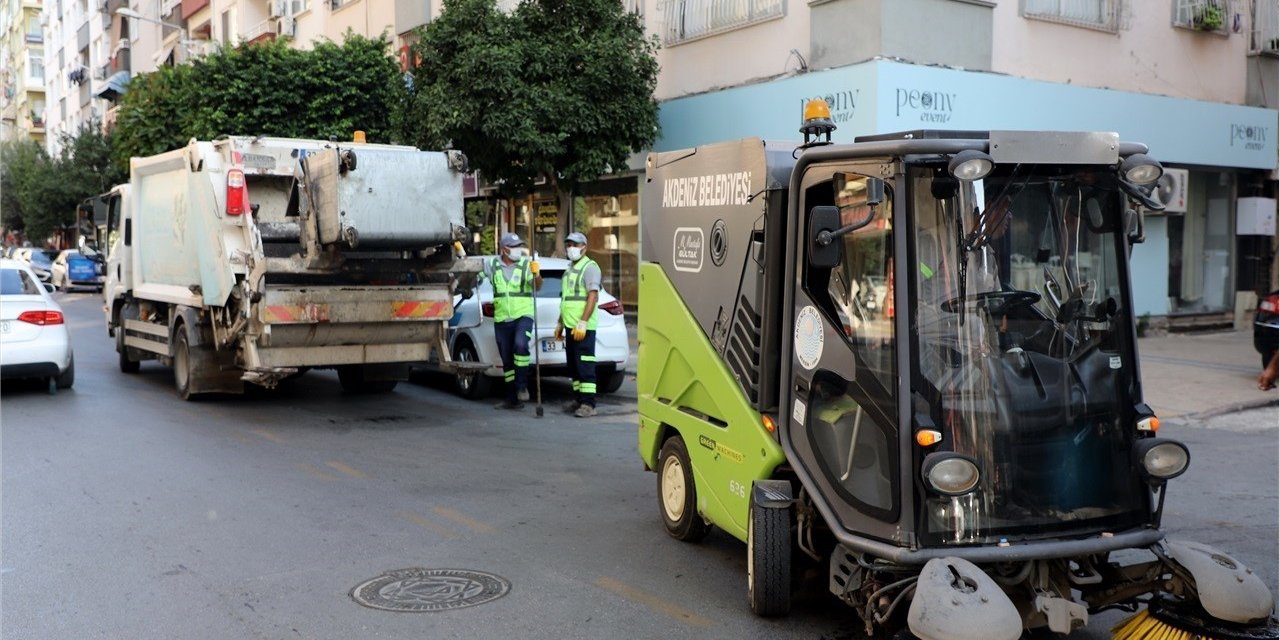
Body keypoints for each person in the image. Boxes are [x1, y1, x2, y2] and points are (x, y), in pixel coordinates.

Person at [486, 233, 540, 410]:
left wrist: (536, 273)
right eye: (514, 246)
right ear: (504, 249)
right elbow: (473, 276)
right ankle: (511, 399)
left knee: (521, 345)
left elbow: (537, 286)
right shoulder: (492, 265)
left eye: (519, 246)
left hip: (522, 315)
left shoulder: (525, 264)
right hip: (502, 318)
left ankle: (522, 386)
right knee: (507, 361)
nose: (518, 249)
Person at [556, 232, 601, 418]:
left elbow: (593, 295)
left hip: (583, 327)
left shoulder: (589, 267)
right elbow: (566, 299)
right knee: (574, 366)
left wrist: (583, 322)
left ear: (584, 247)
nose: (570, 248)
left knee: (585, 366)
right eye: (568, 244)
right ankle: (578, 399)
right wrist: (560, 323)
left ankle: (589, 404)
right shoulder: (569, 269)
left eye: (574, 244)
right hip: (570, 324)